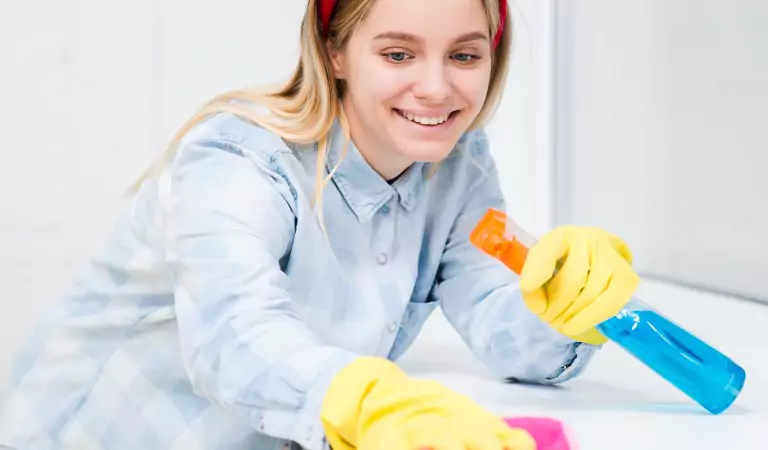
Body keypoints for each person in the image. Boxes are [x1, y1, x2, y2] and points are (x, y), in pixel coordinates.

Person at [0, 0, 640, 448]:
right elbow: (234, 337)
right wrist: (368, 400)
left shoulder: (458, 167)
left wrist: (561, 308)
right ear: (335, 51)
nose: (437, 88)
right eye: (398, 53)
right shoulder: (236, 161)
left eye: (465, 56)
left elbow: (496, 317)